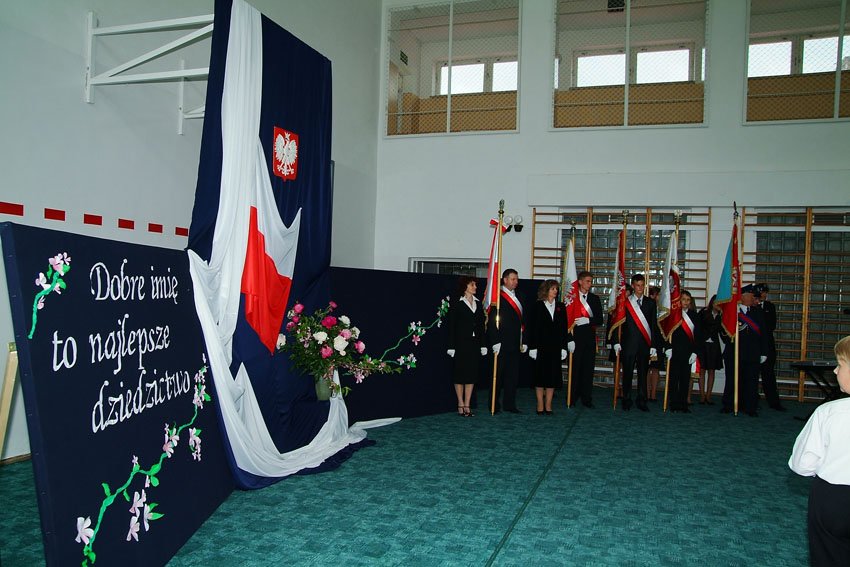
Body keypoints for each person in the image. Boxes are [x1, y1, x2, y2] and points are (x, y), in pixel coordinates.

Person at [789, 335, 850, 566]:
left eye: (840, 365)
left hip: (835, 498)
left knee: (828, 555)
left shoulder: (829, 412)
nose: (835, 371)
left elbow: (801, 464)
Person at [612, 274, 660, 411]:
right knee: (627, 373)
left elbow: (653, 325)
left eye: (642, 285)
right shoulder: (625, 302)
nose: (640, 288)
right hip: (628, 344)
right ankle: (626, 399)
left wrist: (654, 345)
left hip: (645, 344)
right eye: (637, 285)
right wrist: (616, 341)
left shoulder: (650, 303)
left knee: (643, 374)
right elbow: (617, 323)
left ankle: (642, 400)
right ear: (633, 286)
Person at [720, 284, 768, 416]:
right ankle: (729, 405)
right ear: (743, 296)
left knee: (751, 382)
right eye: (751, 295)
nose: (754, 298)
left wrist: (764, 352)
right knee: (732, 380)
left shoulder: (758, 312)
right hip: (734, 352)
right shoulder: (732, 312)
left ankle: (750, 407)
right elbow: (723, 332)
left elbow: (764, 334)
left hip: (752, 353)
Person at [446, 276, 487, 417]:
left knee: (471, 374)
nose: (475, 287)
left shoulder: (478, 303)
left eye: (475, 284)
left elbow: (481, 326)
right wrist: (451, 346)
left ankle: (468, 405)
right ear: (465, 287)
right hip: (460, 344)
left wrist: (483, 345)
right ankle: (460, 403)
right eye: (472, 284)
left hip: (474, 344)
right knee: (459, 374)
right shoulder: (457, 303)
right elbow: (452, 326)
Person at [487, 268, 526, 413]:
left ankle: (510, 404)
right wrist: (495, 340)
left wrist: (525, 340)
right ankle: (494, 404)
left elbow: (524, 321)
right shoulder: (497, 296)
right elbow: (491, 321)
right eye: (513, 279)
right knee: (497, 376)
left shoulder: (520, 295)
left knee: (512, 377)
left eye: (517, 279)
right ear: (505, 280)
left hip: (515, 343)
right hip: (501, 344)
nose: (516, 282)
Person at [527, 280, 568, 415]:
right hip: (540, 346)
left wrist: (563, 347)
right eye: (552, 289)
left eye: (556, 289)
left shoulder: (561, 306)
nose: (555, 291)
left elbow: (564, 328)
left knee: (552, 377)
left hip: (555, 347)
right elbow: (532, 328)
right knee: (540, 377)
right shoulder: (537, 306)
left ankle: (548, 404)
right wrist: (533, 347)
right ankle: (540, 403)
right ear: (546, 290)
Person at [568, 271, 603, 408]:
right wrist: (569, 339)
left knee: (588, 370)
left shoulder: (594, 299)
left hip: (589, 339)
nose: (590, 284)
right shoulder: (572, 298)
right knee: (575, 369)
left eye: (591, 281)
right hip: (575, 339)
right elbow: (566, 320)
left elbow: (599, 319)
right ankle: (572, 396)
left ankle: (586, 398)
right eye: (587, 281)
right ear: (580, 282)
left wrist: (588, 320)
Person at [664, 290, 700, 413]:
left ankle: (683, 404)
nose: (685, 302)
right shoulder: (673, 314)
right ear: (679, 300)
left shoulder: (694, 316)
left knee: (685, 379)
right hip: (674, 351)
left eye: (688, 300)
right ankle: (674, 403)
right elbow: (666, 332)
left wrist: (695, 352)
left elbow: (698, 335)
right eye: (683, 299)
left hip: (688, 352)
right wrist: (667, 347)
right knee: (674, 379)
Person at [756, 283, 786, 411]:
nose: (764, 294)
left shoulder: (770, 306)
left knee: (768, 374)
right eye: (763, 292)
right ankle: (752, 401)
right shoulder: (752, 306)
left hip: (768, 345)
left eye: (765, 292)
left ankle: (774, 402)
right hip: (754, 345)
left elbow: (772, 325)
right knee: (751, 375)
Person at [697, 295, 723, 404]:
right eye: (716, 302)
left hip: (714, 345)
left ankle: (708, 395)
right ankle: (702, 395)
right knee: (702, 370)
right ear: (712, 302)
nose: (717, 305)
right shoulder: (703, 312)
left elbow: (722, 331)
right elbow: (697, 328)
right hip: (703, 345)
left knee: (712, 370)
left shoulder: (722, 315)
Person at [646, 286, 664, 401]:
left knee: (656, 368)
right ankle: (646, 392)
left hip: (658, 342)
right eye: (658, 295)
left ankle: (653, 393)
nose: (659, 297)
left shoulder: (662, 310)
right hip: (647, 341)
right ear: (652, 296)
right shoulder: (647, 307)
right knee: (646, 368)